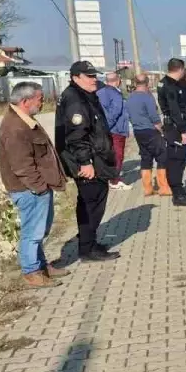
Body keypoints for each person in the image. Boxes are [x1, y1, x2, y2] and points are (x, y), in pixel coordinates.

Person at [0, 82, 68, 287]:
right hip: (30, 190)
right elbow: (22, 166)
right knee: (32, 233)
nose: (43, 101)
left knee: (40, 230)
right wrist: (40, 187)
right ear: (25, 101)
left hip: (36, 188)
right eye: (39, 98)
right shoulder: (15, 128)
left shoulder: (24, 120)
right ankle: (32, 272)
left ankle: (41, 266)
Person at [55, 60, 120, 262]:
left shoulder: (84, 94)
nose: (94, 79)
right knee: (91, 205)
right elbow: (76, 136)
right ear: (76, 78)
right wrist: (85, 162)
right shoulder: (75, 99)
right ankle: (87, 249)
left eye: (95, 75)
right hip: (87, 161)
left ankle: (89, 242)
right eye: (89, 76)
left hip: (94, 157)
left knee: (92, 204)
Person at [157, 59, 186, 206]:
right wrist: (183, 131)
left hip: (173, 126)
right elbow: (174, 110)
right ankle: (177, 194)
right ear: (180, 69)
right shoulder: (170, 86)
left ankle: (179, 191)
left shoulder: (166, 82)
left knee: (178, 160)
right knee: (176, 160)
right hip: (175, 128)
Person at [127, 74, 168, 197]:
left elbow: (129, 115)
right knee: (162, 156)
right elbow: (154, 117)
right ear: (147, 83)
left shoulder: (130, 98)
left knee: (146, 158)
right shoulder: (147, 97)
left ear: (135, 83)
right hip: (150, 130)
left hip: (138, 131)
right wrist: (161, 129)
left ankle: (147, 188)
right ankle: (163, 187)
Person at [97, 72, 131, 191]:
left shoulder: (100, 92)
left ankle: (110, 176)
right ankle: (115, 180)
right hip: (117, 129)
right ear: (118, 81)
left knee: (107, 154)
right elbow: (115, 112)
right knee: (118, 155)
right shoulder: (116, 93)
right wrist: (108, 126)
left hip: (105, 129)